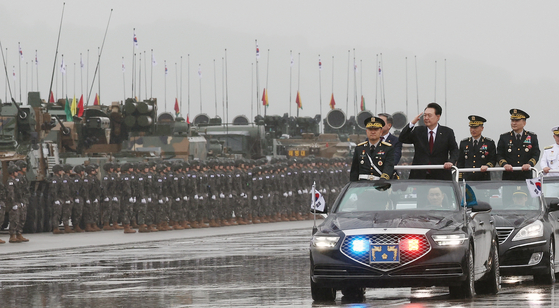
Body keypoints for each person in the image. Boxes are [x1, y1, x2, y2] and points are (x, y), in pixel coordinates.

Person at [398, 102, 459, 180]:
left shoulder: (447, 132)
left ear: (438, 117)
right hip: (419, 176)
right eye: (425, 115)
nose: (426, 118)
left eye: (429, 115)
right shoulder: (418, 131)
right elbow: (402, 138)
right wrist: (412, 123)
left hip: (440, 175)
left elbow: (454, 150)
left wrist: (451, 162)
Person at [496, 109, 540, 180]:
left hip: (525, 176)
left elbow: (536, 153)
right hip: (509, 176)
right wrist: (505, 164)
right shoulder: (504, 137)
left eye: (517, 121)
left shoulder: (532, 137)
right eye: (512, 121)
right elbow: (499, 154)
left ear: (524, 123)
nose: (514, 123)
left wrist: (529, 164)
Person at [350, 116, 395, 181]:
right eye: (370, 129)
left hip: (379, 184)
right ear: (366, 131)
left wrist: (383, 180)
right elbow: (354, 171)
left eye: (376, 129)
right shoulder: (359, 148)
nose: (373, 132)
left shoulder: (388, 148)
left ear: (381, 132)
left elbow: (389, 166)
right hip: (362, 185)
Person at [457, 115, 497, 181]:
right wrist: (460, 179)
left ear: (482, 128)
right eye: (471, 127)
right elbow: (460, 162)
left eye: (475, 127)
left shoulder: (489, 143)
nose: (473, 130)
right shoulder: (464, 143)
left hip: (483, 178)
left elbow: (493, 159)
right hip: (467, 178)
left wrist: (487, 166)